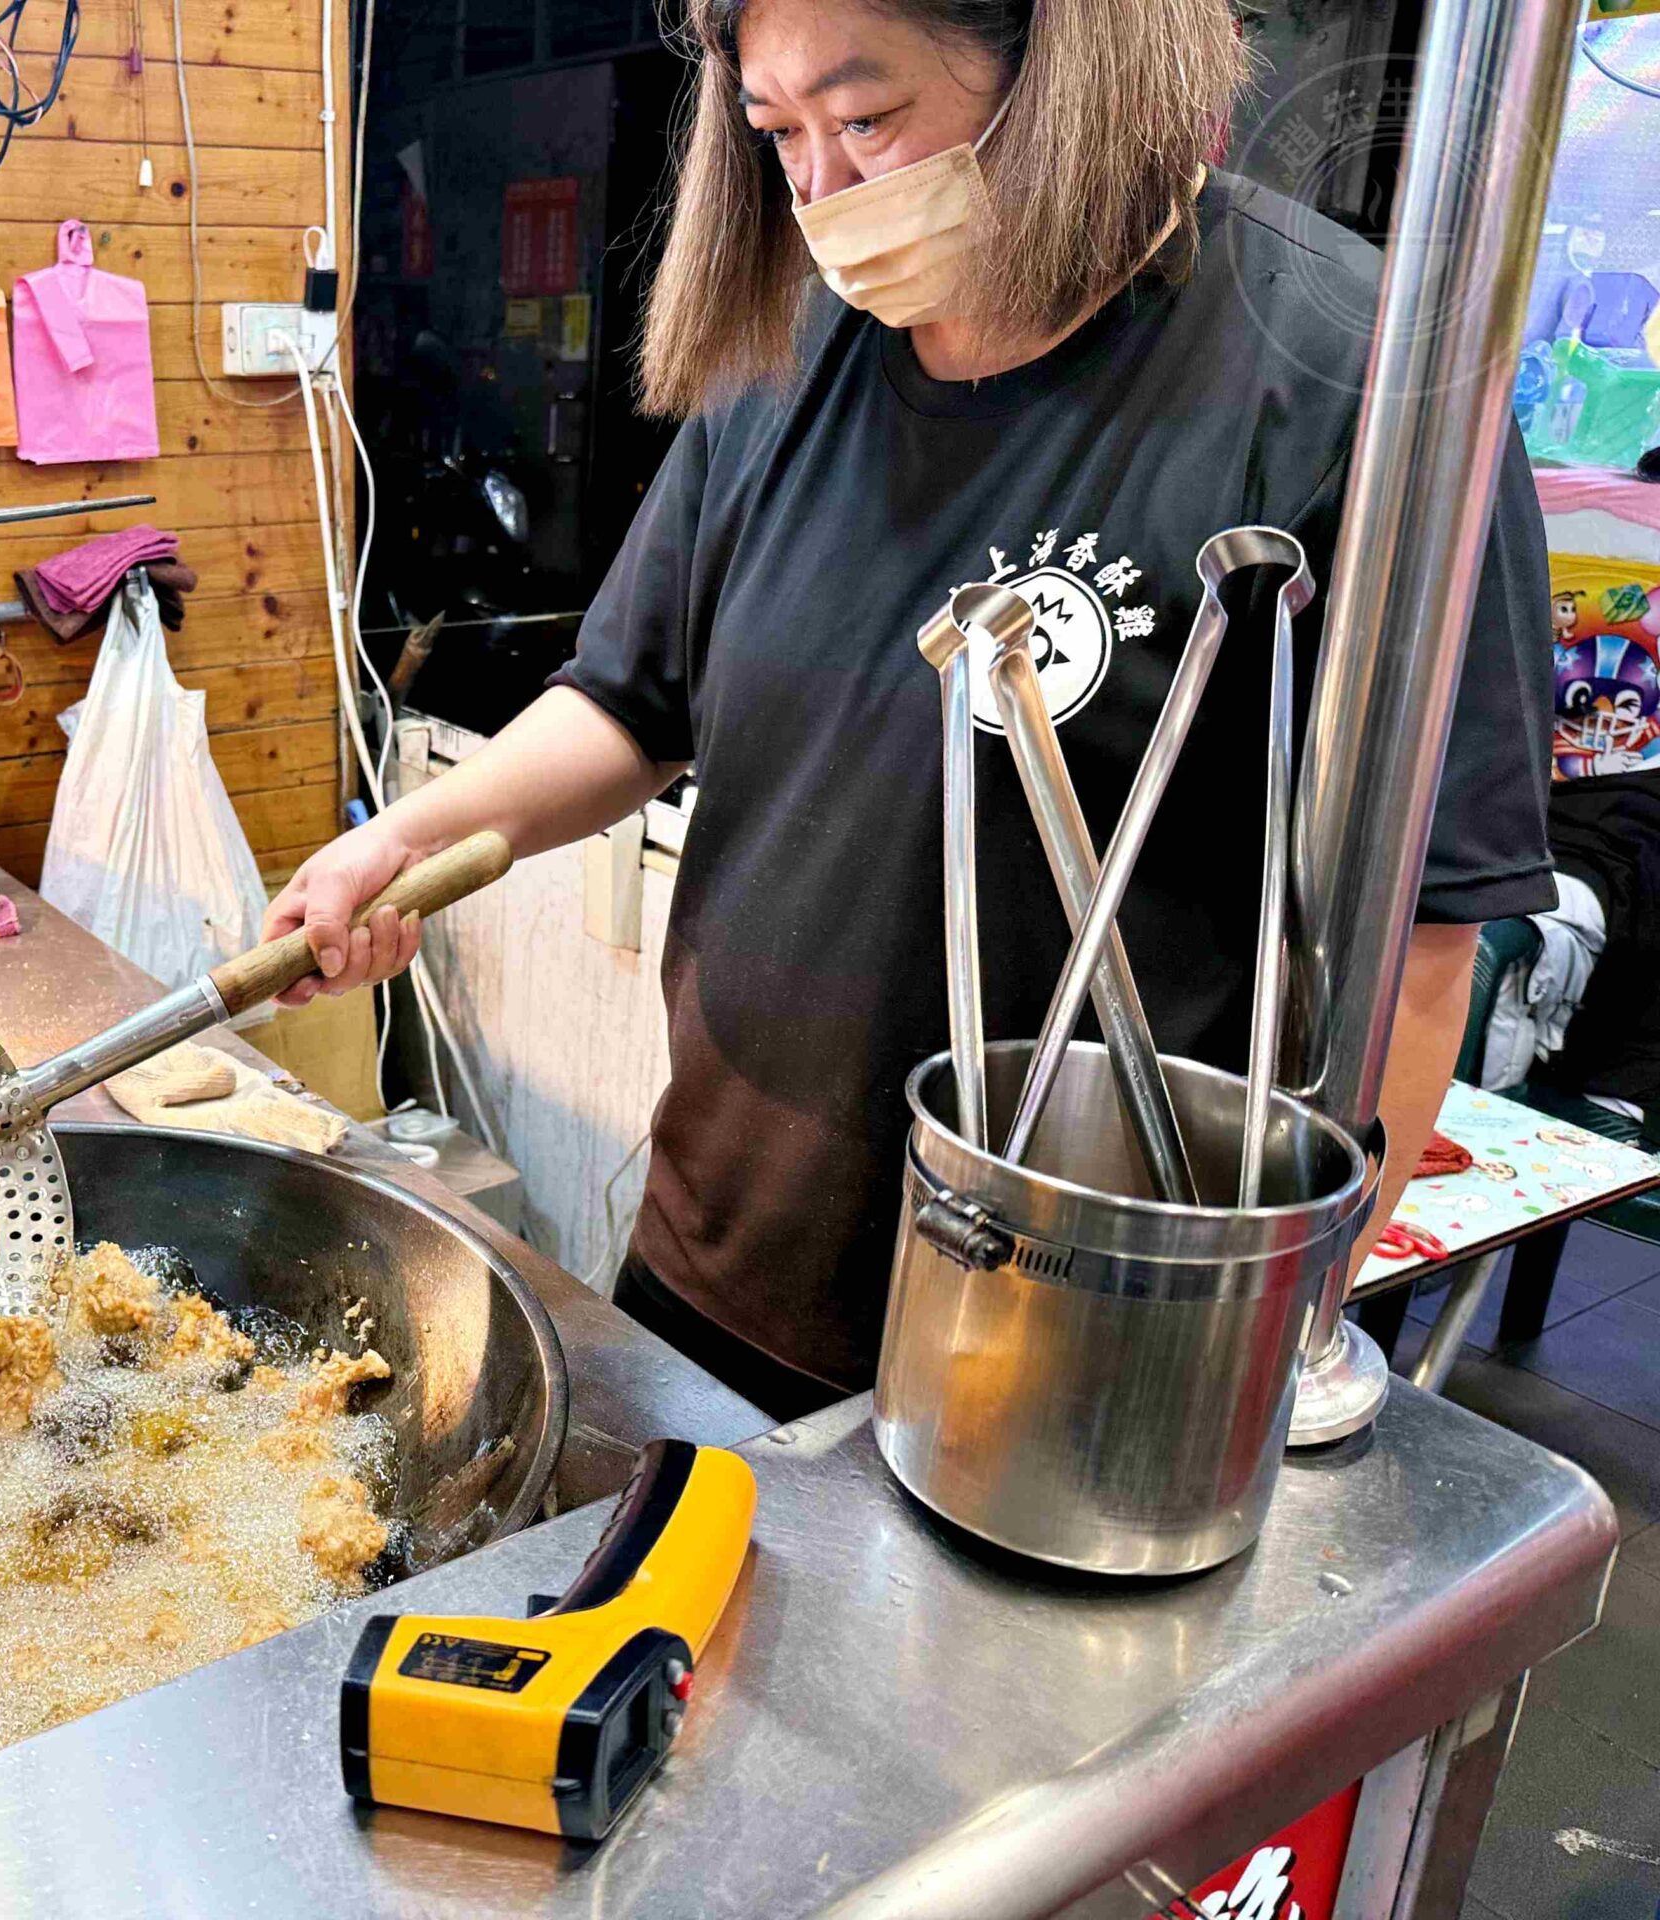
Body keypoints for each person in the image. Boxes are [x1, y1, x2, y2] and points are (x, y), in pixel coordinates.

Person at [270, 0, 1556, 1417]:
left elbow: (1427, 944)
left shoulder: (1349, 376)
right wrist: (418, 837)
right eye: (777, 136)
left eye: (866, 118)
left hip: (1064, 1341)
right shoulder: (795, 345)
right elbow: (635, 704)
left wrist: (1257, 1347)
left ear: (1068, 59)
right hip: (720, 1263)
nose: (822, 194)